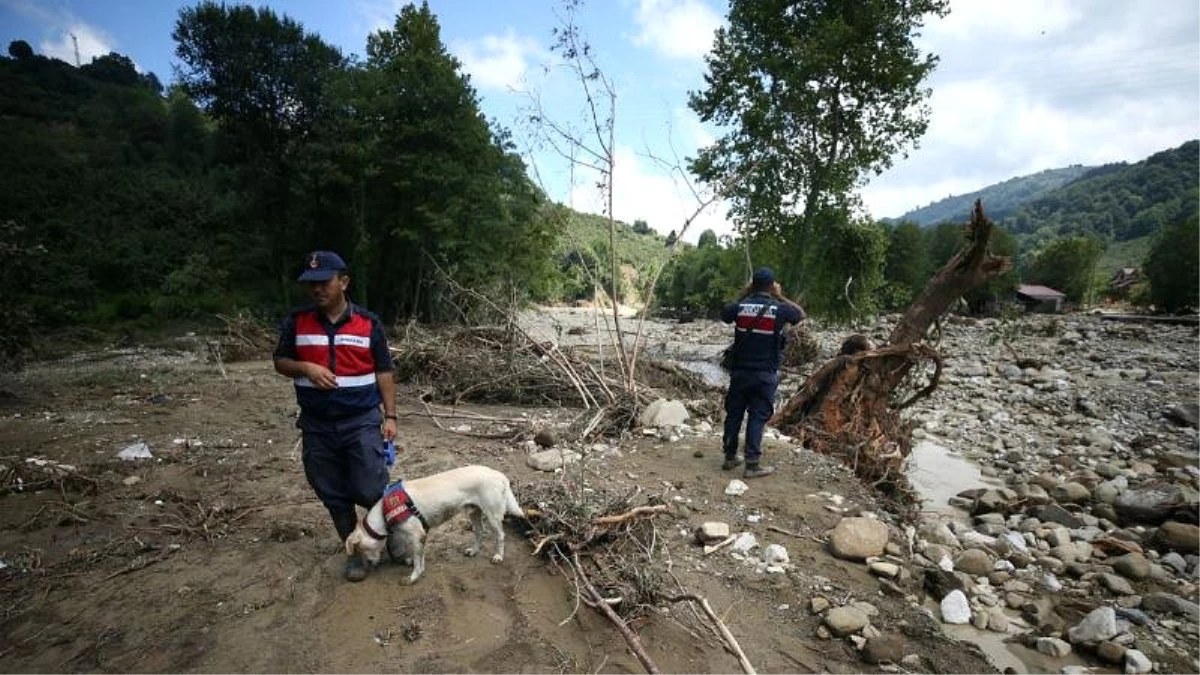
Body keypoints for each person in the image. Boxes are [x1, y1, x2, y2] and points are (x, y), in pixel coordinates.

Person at [273, 250, 398, 582]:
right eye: (311, 283)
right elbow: (280, 361)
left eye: (324, 282)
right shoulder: (296, 322)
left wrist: (391, 417)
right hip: (317, 424)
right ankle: (355, 551)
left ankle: (393, 537)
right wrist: (305, 368)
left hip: (361, 420)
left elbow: (384, 372)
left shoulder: (368, 323)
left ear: (343, 282)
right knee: (330, 490)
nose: (317, 289)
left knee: (371, 486)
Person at [719, 267, 806, 478]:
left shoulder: (740, 307)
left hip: (740, 373)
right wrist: (779, 295)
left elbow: (724, 314)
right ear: (772, 285)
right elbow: (801, 314)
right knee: (757, 417)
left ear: (752, 285)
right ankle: (752, 464)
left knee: (734, 414)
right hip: (765, 374)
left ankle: (730, 457)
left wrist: (745, 293)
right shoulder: (780, 309)